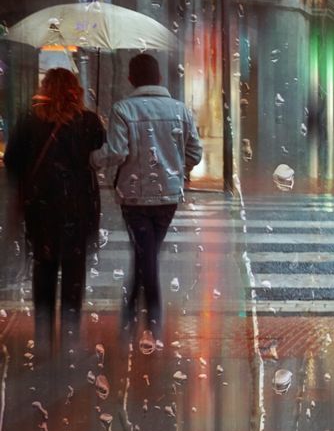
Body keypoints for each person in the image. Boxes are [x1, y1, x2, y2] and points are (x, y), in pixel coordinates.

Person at [93, 53, 202, 340]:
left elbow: (116, 152)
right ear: (159, 78)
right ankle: (133, 313)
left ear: (131, 79)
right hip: (168, 197)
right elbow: (195, 152)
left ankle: (150, 316)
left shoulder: (123, 110)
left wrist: (92, 159)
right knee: (147, 251)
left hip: (134, 197)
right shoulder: (181, 110)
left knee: (146, 252)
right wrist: (180, 169)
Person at [3, 68, 105, 354]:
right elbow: (99, 146)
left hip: (41, 206)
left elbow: (11, 161)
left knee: (44, 264)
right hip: (79, 206)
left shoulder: (29, 120)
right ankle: (71, 332)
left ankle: (44, 331)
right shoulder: (87, 121)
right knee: (74, 268)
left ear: (45, 88)